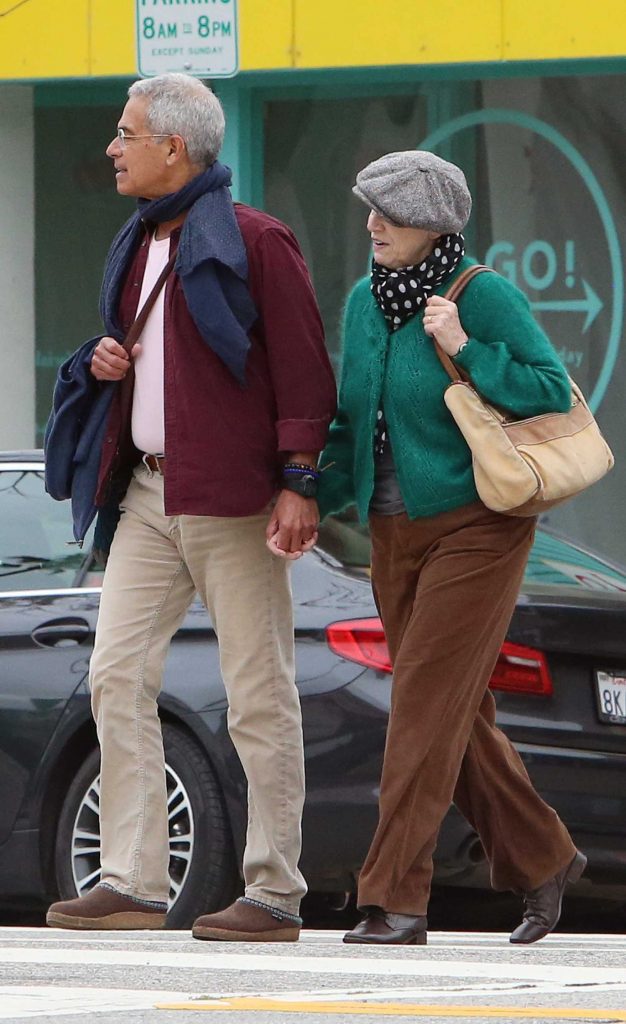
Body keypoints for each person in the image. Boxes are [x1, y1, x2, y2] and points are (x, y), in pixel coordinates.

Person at [45, 73, 336, 941]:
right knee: (115, 676)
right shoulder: (135, 245)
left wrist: (299, 481)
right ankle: (134, 881)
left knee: (257, 694)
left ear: (174, 147)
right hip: (145, 492)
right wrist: (102, 362)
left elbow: (304, 369)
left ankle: (274, 891)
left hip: (236, 499)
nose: (112, 146)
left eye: (126, 133)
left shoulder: (256, 240)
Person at [317, 150, 586, 947]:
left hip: (479, 524)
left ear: (433, 225)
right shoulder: (365, 304)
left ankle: (394, 896)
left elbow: (548, 388)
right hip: (393, 532)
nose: (372, 225)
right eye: (369, 209)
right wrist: (308, 495)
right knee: (452, 714)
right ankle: (545, 859)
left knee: (422, 708)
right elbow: (351, 419)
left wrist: (466, 346)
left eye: (388, 214)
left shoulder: (483, 294)